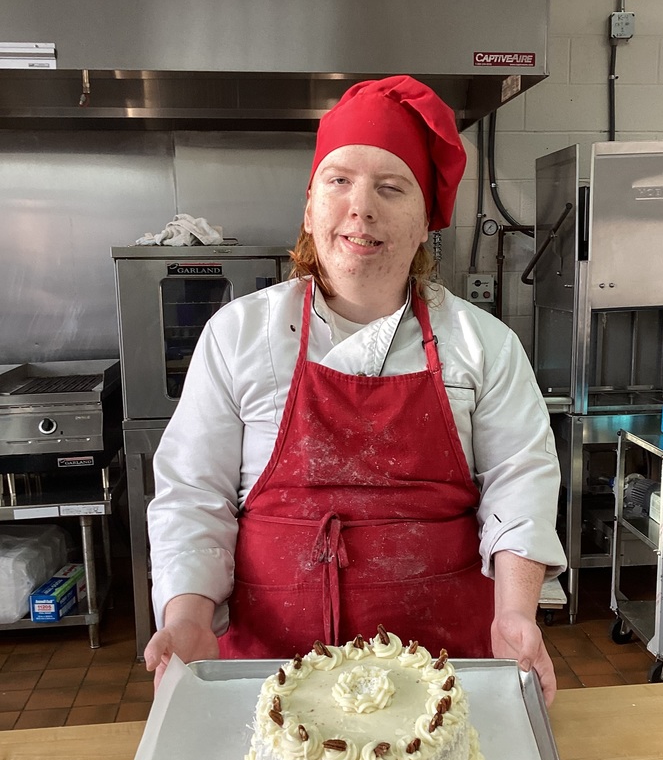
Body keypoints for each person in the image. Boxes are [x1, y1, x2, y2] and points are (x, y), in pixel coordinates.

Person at [144, 75, 566, 703]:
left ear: (427, 222)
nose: (360, 207)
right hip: (272, 679)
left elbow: (521, 481)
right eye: (338, 181)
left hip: (443, 678)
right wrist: (186, 617)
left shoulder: (484, 344)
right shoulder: (240, 334)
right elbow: (193, 493)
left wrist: (516, 612)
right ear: (310, 207)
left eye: (391, 188)